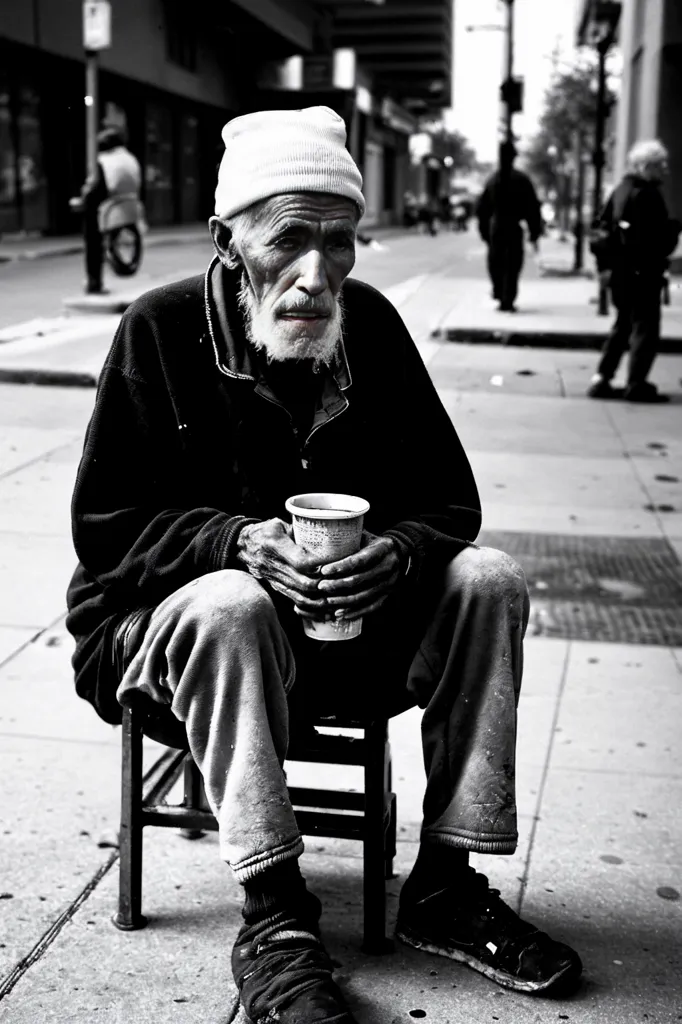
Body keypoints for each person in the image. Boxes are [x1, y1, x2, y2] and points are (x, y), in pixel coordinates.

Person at [66, 106, 582, 1024]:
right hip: (164, 635)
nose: (316, 275)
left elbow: (450, 504)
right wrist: (234, 540)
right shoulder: (158, 330)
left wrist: (400, 551)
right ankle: (274, 917)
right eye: (289, 241)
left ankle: (446, 884)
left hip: (344, 636)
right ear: (228, 242)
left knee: (488, 578)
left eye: (339, 243)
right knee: (231, 602)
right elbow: (105, 530)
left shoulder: (371, 328)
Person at [587, 139, 680, 403]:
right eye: (660, 165)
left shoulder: (619, 191)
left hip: (619, 273)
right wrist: (673, 230)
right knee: (645, 327)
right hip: (642, 272)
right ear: (645, 166)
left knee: (623, 324)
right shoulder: (647, 195)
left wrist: (604, 268)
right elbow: (656, 241)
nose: (665, 171)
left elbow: (601, 230)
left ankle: (602, 378)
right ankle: (637, 383)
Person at [477, 143, 543, 312]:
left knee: (497, 262)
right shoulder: (521, 180)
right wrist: (534, 231)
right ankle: (507, 297)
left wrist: (484, 232)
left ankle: (501, 293)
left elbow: (482, 210)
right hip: (512, 227)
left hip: (498, 227)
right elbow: (532, 207)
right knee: (512, 264)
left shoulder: (493, 180)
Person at [79, 127, 142, 294]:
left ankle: (94, 282)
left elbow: (99, 189)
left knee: (92, 241)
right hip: (130, 207)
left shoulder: (105, 160)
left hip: (108, 208)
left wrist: (84, 197)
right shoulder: (130, 159)